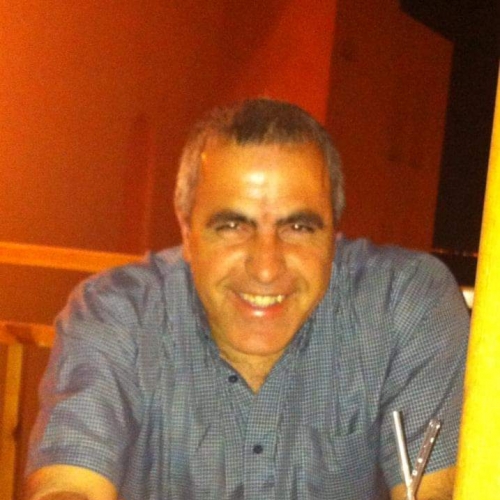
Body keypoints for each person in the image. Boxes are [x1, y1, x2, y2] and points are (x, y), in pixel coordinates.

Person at [24, 99, 469, 500]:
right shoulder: (117, 313)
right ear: (186, 229)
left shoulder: (404, 303)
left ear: (334, 231)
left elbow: (437, 492)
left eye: (299, 227)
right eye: (233, 226)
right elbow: (69, 485)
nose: (266, 267)